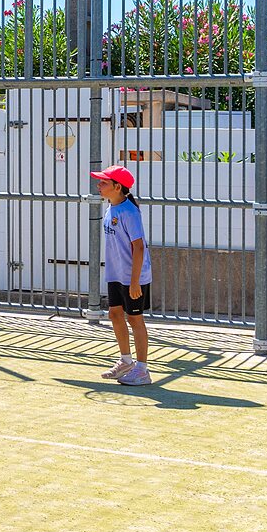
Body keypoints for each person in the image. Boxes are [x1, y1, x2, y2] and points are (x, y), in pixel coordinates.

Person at [91, 165, 153, 386]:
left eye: (103, 182)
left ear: (117, 187)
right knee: (115, 315)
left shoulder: (129, 211)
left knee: (135, 319)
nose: (98, 185)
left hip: (133, 277)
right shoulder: (111, 208)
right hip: (116, 275)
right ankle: (126, 361)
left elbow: (139, 247)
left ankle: (143, 370)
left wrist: (135, 281)